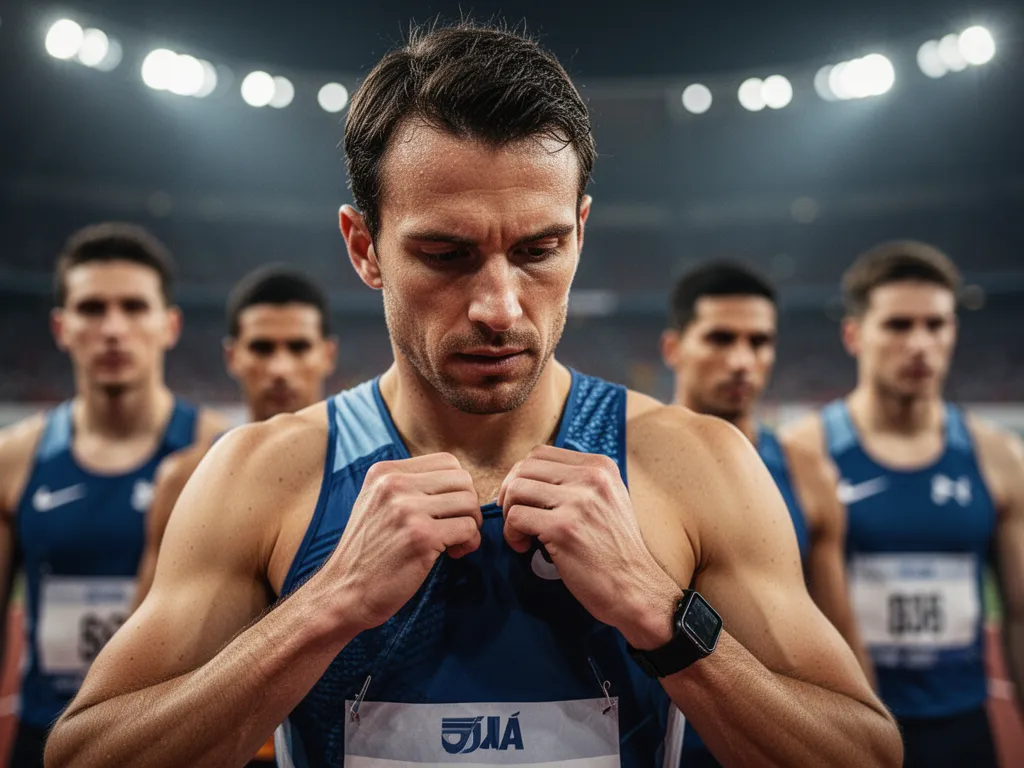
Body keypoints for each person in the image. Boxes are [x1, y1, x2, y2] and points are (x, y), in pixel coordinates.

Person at [45, 23, 901, 768]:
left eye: (539, 249)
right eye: (446, 255)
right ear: (364, 247)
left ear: (581, 234)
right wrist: (324, 607)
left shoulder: (694, 463)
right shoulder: (262, 476)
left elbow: (865, 752)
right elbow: (84, 753)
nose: (498, 307)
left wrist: (663, 615)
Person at [782, 241, 1024, 768]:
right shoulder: (802, 454)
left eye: (935, 325)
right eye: (897, 326)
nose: (919, 344)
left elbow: (1020, 617)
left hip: (965, 733)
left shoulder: (998, 459)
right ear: (854, 334)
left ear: (953, 332)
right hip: (844, 731)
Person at [0, 223, 227, 767]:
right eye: (91, 308)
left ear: (169, 325)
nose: (113, 329)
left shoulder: (220, 455)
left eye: (134, 307)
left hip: (166, 743)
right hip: (45, 740)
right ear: (61, 327)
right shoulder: (14, 461)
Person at [660, 260, 874, 767]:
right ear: (673, 348)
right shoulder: (622, 464)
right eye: (720, 339)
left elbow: (841, 635)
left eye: (759, 342)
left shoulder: (808, 475)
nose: (742, 361)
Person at [133, 264, 338, 606]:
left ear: (327, 354)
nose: (280, 369)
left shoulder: (372, 476)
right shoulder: (183, 480)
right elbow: (142, 640)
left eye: (298, 347)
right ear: (232, 356)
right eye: (262, 348)